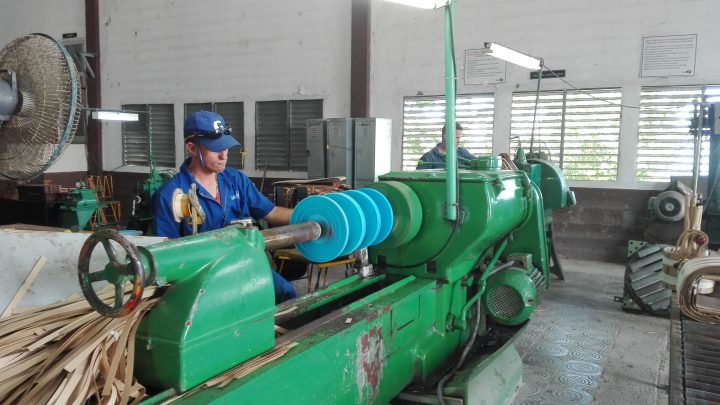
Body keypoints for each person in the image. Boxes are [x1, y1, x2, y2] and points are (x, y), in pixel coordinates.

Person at [152, 110, 296, 303]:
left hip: (245, 265)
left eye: (226, 147)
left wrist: (311, 216)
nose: (224, 155)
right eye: (215, 149)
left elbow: (272, 212)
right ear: (192, 148)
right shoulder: (171, 195)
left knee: (286, 293)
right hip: (203, 279)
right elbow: (168, 253)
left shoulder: (236, 180)